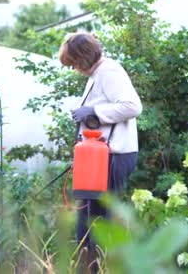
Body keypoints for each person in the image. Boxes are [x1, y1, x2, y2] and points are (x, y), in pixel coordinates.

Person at [58, 32, 142, 272]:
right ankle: (90, 267)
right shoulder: (98, 73)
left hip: (113, 157)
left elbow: (132, 106)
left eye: (73, 63)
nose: (74, 69)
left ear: (84, 58)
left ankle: (100, 268)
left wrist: (93, 111)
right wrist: (86, 111)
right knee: (87, 219)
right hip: (98, 158)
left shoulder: (109, 72)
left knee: (97, 220)